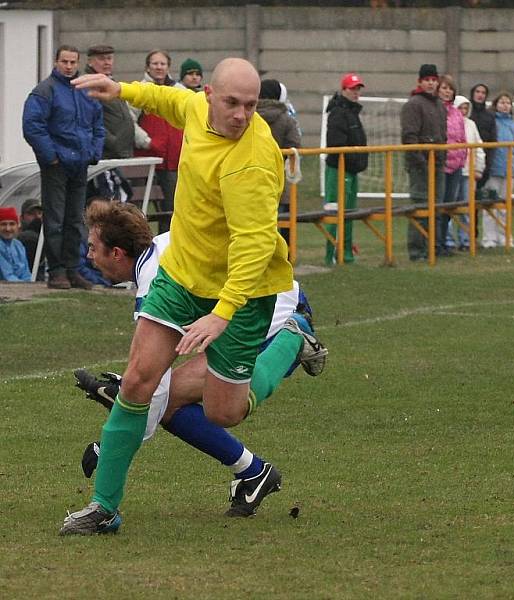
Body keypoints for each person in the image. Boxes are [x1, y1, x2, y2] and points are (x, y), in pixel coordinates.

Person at [61, 57, 320, 535]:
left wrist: (222, 315)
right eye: (232, 103)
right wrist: (121, 91)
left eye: (250, 105)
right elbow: (170, 99)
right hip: (181, 275)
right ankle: (104, 509)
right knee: (139, 379)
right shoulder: (198, 110)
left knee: (225, 412)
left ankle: (291, 337)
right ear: (211, 98)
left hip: (243, 291)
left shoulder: (255, 161)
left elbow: (253, 244)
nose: (242, 115)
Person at [72, 199, 325, 518]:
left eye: (93, 247)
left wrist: (108, 448)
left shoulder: (156, 277)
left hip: (271, 315)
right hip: (263, 303)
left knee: (186, 403)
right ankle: (254, 472)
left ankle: (294, 337)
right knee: (171, 401)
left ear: (117, 253)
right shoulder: (161, 247)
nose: (88, 256)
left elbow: (154, 388)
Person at [22, 44, 104, 290]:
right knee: (55, 218)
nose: (69, 66)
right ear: (56, 62)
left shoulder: (85, 91)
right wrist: (51, 156)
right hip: (57, 164)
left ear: (78, 63)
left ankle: (72, 269)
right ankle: (56, 271)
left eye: (72, 62)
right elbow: (32, 126)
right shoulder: (44, 91)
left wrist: (93, 153)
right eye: (64, 62)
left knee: (75, 219)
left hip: (80, 162)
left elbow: (98, 125)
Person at [131, 50, 184, 232]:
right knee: (137, 209)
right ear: (148, 67)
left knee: (171, 210)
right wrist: (147, 142)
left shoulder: (180, 91)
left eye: (162, 64)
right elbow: (129, 122)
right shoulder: (139, 89)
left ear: (168, 66)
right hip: (145, 158)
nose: (159, 67)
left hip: (172, 162)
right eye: (155, 64)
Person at [400, 64, 447, 262]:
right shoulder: (413, 104)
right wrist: (421, 161)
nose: (431, 83)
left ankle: (433, 247)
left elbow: (442, 136)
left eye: (433, 80)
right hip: (420, 166)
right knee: (420, 207)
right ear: (420, 81)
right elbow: (409, 136)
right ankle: (416, 250)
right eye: (427, 79)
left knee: (436, 208)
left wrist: (441, 159)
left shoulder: (439, 105)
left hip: (437, 164)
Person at [323, 73, 368, 265]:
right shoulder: (338, 113)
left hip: (350, 171)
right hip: (338, 170)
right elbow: (336, 144)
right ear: (344, 90)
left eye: (358, 89)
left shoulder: (351, 113)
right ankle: (331, 254)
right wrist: (353, 160)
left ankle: (346, 253)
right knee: (335, 212)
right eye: (352, 89)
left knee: (349, 213)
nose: (356, 93)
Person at [85, 44, 135, 203]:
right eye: (101, 59)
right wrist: (112, 142)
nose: (107, 62)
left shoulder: (110, 83)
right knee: (109, 198)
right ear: (90, 62)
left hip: (117, 153)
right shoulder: (90, 85)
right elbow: (90, 120)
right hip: (103, 155)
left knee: (121, 194)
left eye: (109, 58)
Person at [256, 79, 302, 242]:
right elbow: (295, 143)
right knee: (282, 218)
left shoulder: (249, 115)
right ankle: (286, 253)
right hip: (277, 177)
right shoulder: (286, 119)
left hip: (250, 175)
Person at [482, 91, 514, 249]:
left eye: (508, 103)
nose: (505, 106)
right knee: (489, 206)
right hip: (493, 170)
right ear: (495, 105)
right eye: (502, 102)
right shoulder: (491, 122)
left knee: (505, 207)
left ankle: (504, 236)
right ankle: (489, 238)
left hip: (509, 172)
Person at [437, 74, 467, 258]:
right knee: (439, 206)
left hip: (456, 165)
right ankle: (438, 243)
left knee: (449, 206)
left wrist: (463, 157)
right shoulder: (436, 110)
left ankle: (445, 243)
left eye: (450, 88)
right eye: (444, 88)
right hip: (442, 165)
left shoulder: (456, 112)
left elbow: (462, 137)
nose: (447, 92)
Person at [450, 95, 485, 251]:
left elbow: (478, 147)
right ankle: (448, 240)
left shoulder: (471, 125)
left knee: (467, 208)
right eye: (460, 108)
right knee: (450, 207)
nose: (463, 111)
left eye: (466, 108)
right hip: (453, 170)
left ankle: (466, 240)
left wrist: (478, 168)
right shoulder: (449, 123)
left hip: (468, 172)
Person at [468, 83, 497, 242]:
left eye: (483, 92)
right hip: (466, 166)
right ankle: (468, 236)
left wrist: (487, 165)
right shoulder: (467, 115)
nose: (480, 95)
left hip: (483, 166)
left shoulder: (489, 116)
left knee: (481, 201)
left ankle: (479, 236)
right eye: (477, 92)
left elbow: (493, 142)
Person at [0, 206, 32, 282]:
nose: (8, 229)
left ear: (18, 226)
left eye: (12, 224)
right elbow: (7, 276)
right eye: (3, 224)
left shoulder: (18, 245)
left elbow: (26, 273)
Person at [17, 198, 45, 280]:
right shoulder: (25, 238)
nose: (37, 217)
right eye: (31, 214)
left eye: (40, 213)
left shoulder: (47, 236)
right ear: (21, 218)